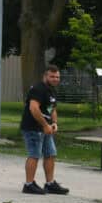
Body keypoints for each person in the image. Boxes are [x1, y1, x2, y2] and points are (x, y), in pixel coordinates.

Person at [19, 65, 69, 195]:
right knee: (34, 154)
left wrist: (54, 123)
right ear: (45, 76)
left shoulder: (51, 90)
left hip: (45, 128)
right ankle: (28, 185)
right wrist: (45, 125)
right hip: (33, 128)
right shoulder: (38, 89)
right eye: (52, 76)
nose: (55, 79)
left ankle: (50, 184)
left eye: (57, 77)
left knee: (50, 154)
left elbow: (52, 109)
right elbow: (33, 108)